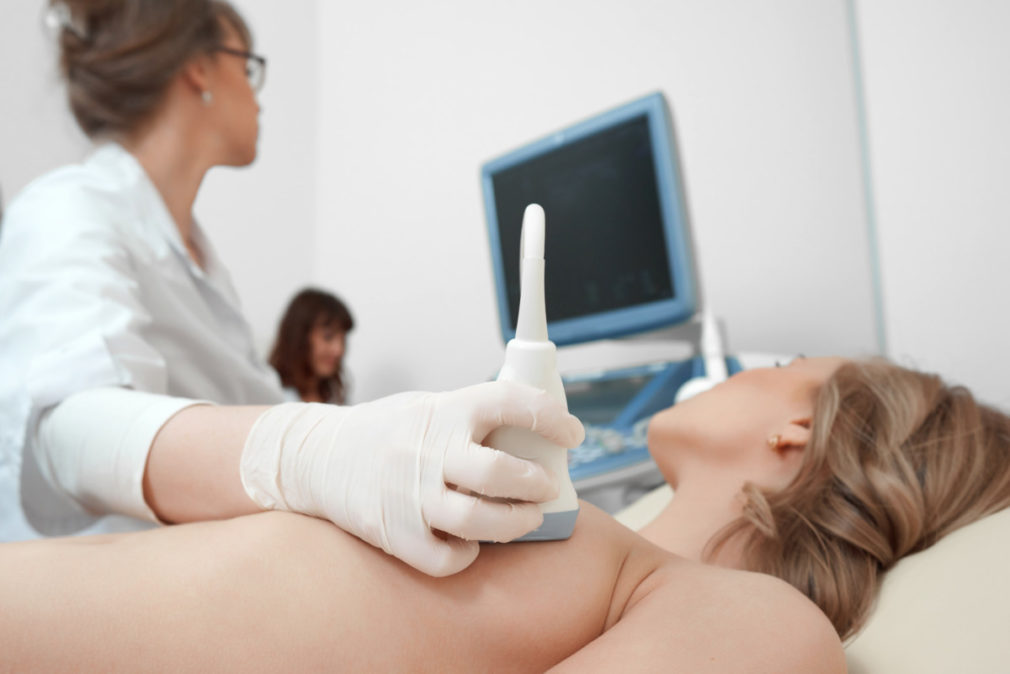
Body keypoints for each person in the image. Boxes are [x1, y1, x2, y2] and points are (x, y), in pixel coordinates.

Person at [0, 0, 584, 578]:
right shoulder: (66, 209)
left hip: (228, 570)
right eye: (248, 67)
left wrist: (406, 437)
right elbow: (67, 436)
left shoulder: (201, 260)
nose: (257, 94)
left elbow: (255, 402)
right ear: (200, 69)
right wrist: (305, 455)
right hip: (128, 592)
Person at [1, 357, 1007, 669]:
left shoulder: (751, 620)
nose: (740, 368)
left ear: (796, 424)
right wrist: (291, 453)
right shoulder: (605, 552)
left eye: (774, 358)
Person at [269, 288, 354, 404]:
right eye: (328, 337)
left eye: (343, 339)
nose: (339, 350)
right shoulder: (271, 396)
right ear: (299, 336)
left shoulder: (336, 396)